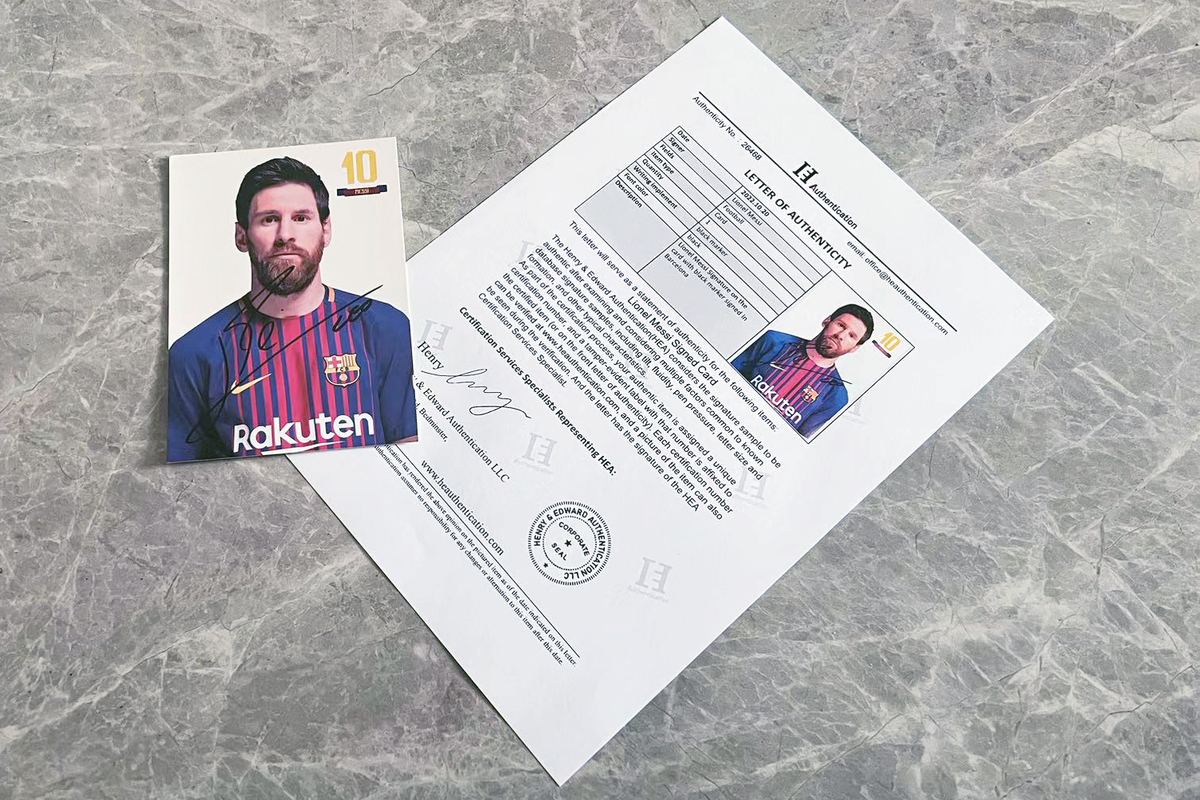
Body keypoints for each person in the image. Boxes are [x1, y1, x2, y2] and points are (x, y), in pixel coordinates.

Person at [167, 156, 417, 462]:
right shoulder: (194, 354)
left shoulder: (385, 328)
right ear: (241, 235)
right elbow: (184, 480)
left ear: (326, 229)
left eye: (301, 218)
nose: (285, 234)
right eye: (269, 219)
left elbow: (411, 458)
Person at [731, 304, 874, 438]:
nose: (841, 335)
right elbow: (727, 378)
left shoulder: (837, 397)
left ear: (855, 348)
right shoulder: (774, 341)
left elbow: (794, 441)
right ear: (827, 321)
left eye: (851, 336)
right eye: (841, 325)